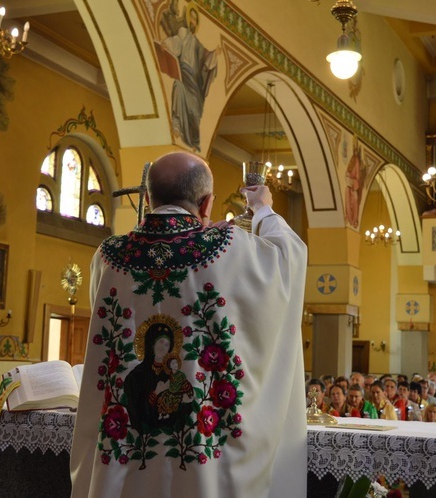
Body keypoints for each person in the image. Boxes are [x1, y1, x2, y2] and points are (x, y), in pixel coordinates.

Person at [70, 151, 308, 497]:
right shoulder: (229, 247)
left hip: (121, 465)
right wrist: (263, 210)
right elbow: (289, 257)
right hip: (198, 470)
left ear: (149, 199)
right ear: (207, 203)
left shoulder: (108, 256)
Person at [161, 7, 219, 152]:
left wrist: (215, 55)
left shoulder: (197, 43)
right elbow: (175, 44)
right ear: (188, 19)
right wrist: (165, 45)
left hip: (195, 82)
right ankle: (176, 122)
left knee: (194, 110)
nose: (193, 22)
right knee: (177, 86)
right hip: (184, 74)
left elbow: (206, 60)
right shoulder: (182, 34)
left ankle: (194, 140)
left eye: (195, 19)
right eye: (191, 18)